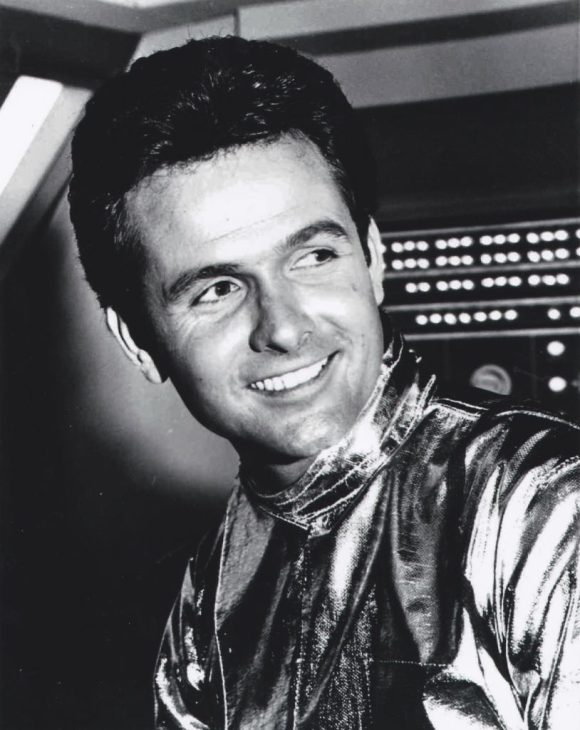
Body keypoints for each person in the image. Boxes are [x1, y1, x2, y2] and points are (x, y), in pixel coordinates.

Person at [68, 36, 580, 729]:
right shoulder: (207, 591)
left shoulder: (540, 508)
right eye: (217, 290)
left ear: (372, 257)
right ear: (138, 340)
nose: (283, 328)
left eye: (312, 256)